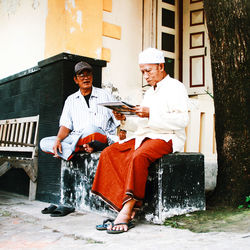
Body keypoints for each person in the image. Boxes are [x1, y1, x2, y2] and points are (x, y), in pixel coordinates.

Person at [91, 48, 189, 234]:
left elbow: (182, 120)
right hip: (145, 136)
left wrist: (150, 113)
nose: (145, 76)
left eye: (148, 71)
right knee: (109, 153)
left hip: (167, 137)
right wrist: (124, 119)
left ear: (161, 66)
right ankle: (118, 207)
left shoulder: (176, 87)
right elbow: (142, 125)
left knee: (139, 156)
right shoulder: (149, 93)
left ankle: (128, 211)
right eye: (142, 71)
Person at [40, 61, 120, 160]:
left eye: (88, 75)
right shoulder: (71, 100)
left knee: (91, 129)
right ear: (76, 80)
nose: (86, 78)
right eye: (81, 75)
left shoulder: (104, 94)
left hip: (97, 136)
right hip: (76, 137)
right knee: (44, 142)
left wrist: (122, 132)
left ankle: (70, 150)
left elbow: (119, 119)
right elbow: (65, 125)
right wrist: (58, 140)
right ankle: (80, 148)